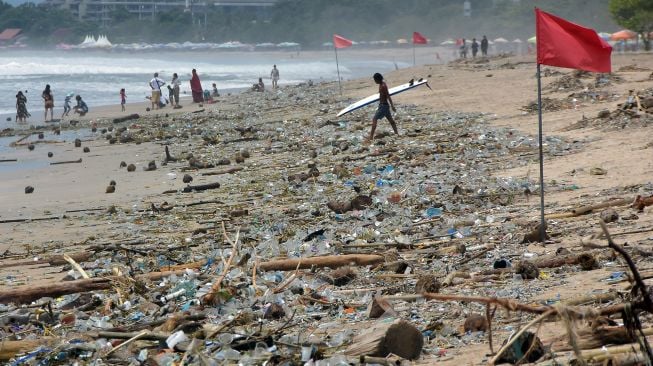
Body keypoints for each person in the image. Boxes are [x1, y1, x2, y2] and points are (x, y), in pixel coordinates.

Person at [369, 73, 398, 141]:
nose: (374, 81)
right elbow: (382, 94)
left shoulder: (383, 86)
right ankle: (396, 133)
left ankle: (371, 137)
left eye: (375, 79)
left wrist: (392, 106)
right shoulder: (381, 85)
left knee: (374, 119)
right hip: (384, 106)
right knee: (391, 120)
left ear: (378, 79)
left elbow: (388, 96)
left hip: (383, 106)